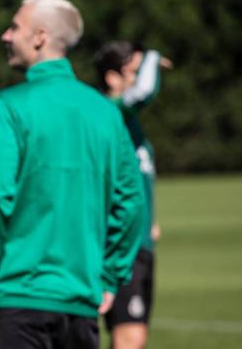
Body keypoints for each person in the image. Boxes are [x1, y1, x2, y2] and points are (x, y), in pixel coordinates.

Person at [0, 0, 144, 349]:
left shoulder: (6, 107)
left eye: (14, 26)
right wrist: (109, 277)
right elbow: (132, 204)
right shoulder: (107, 113)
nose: (5, 35)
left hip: (17, 298)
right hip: (81, 304)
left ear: (39, 37)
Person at [94, 41, 170, 349]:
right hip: (118, 243)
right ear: (112, 78)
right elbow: (144, 92)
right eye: (134, 71)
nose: (141, 77)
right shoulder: (109, 110)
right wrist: (153, 56)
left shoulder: (128, 121)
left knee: (131, 336)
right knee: (129, 337)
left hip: (140, 242)